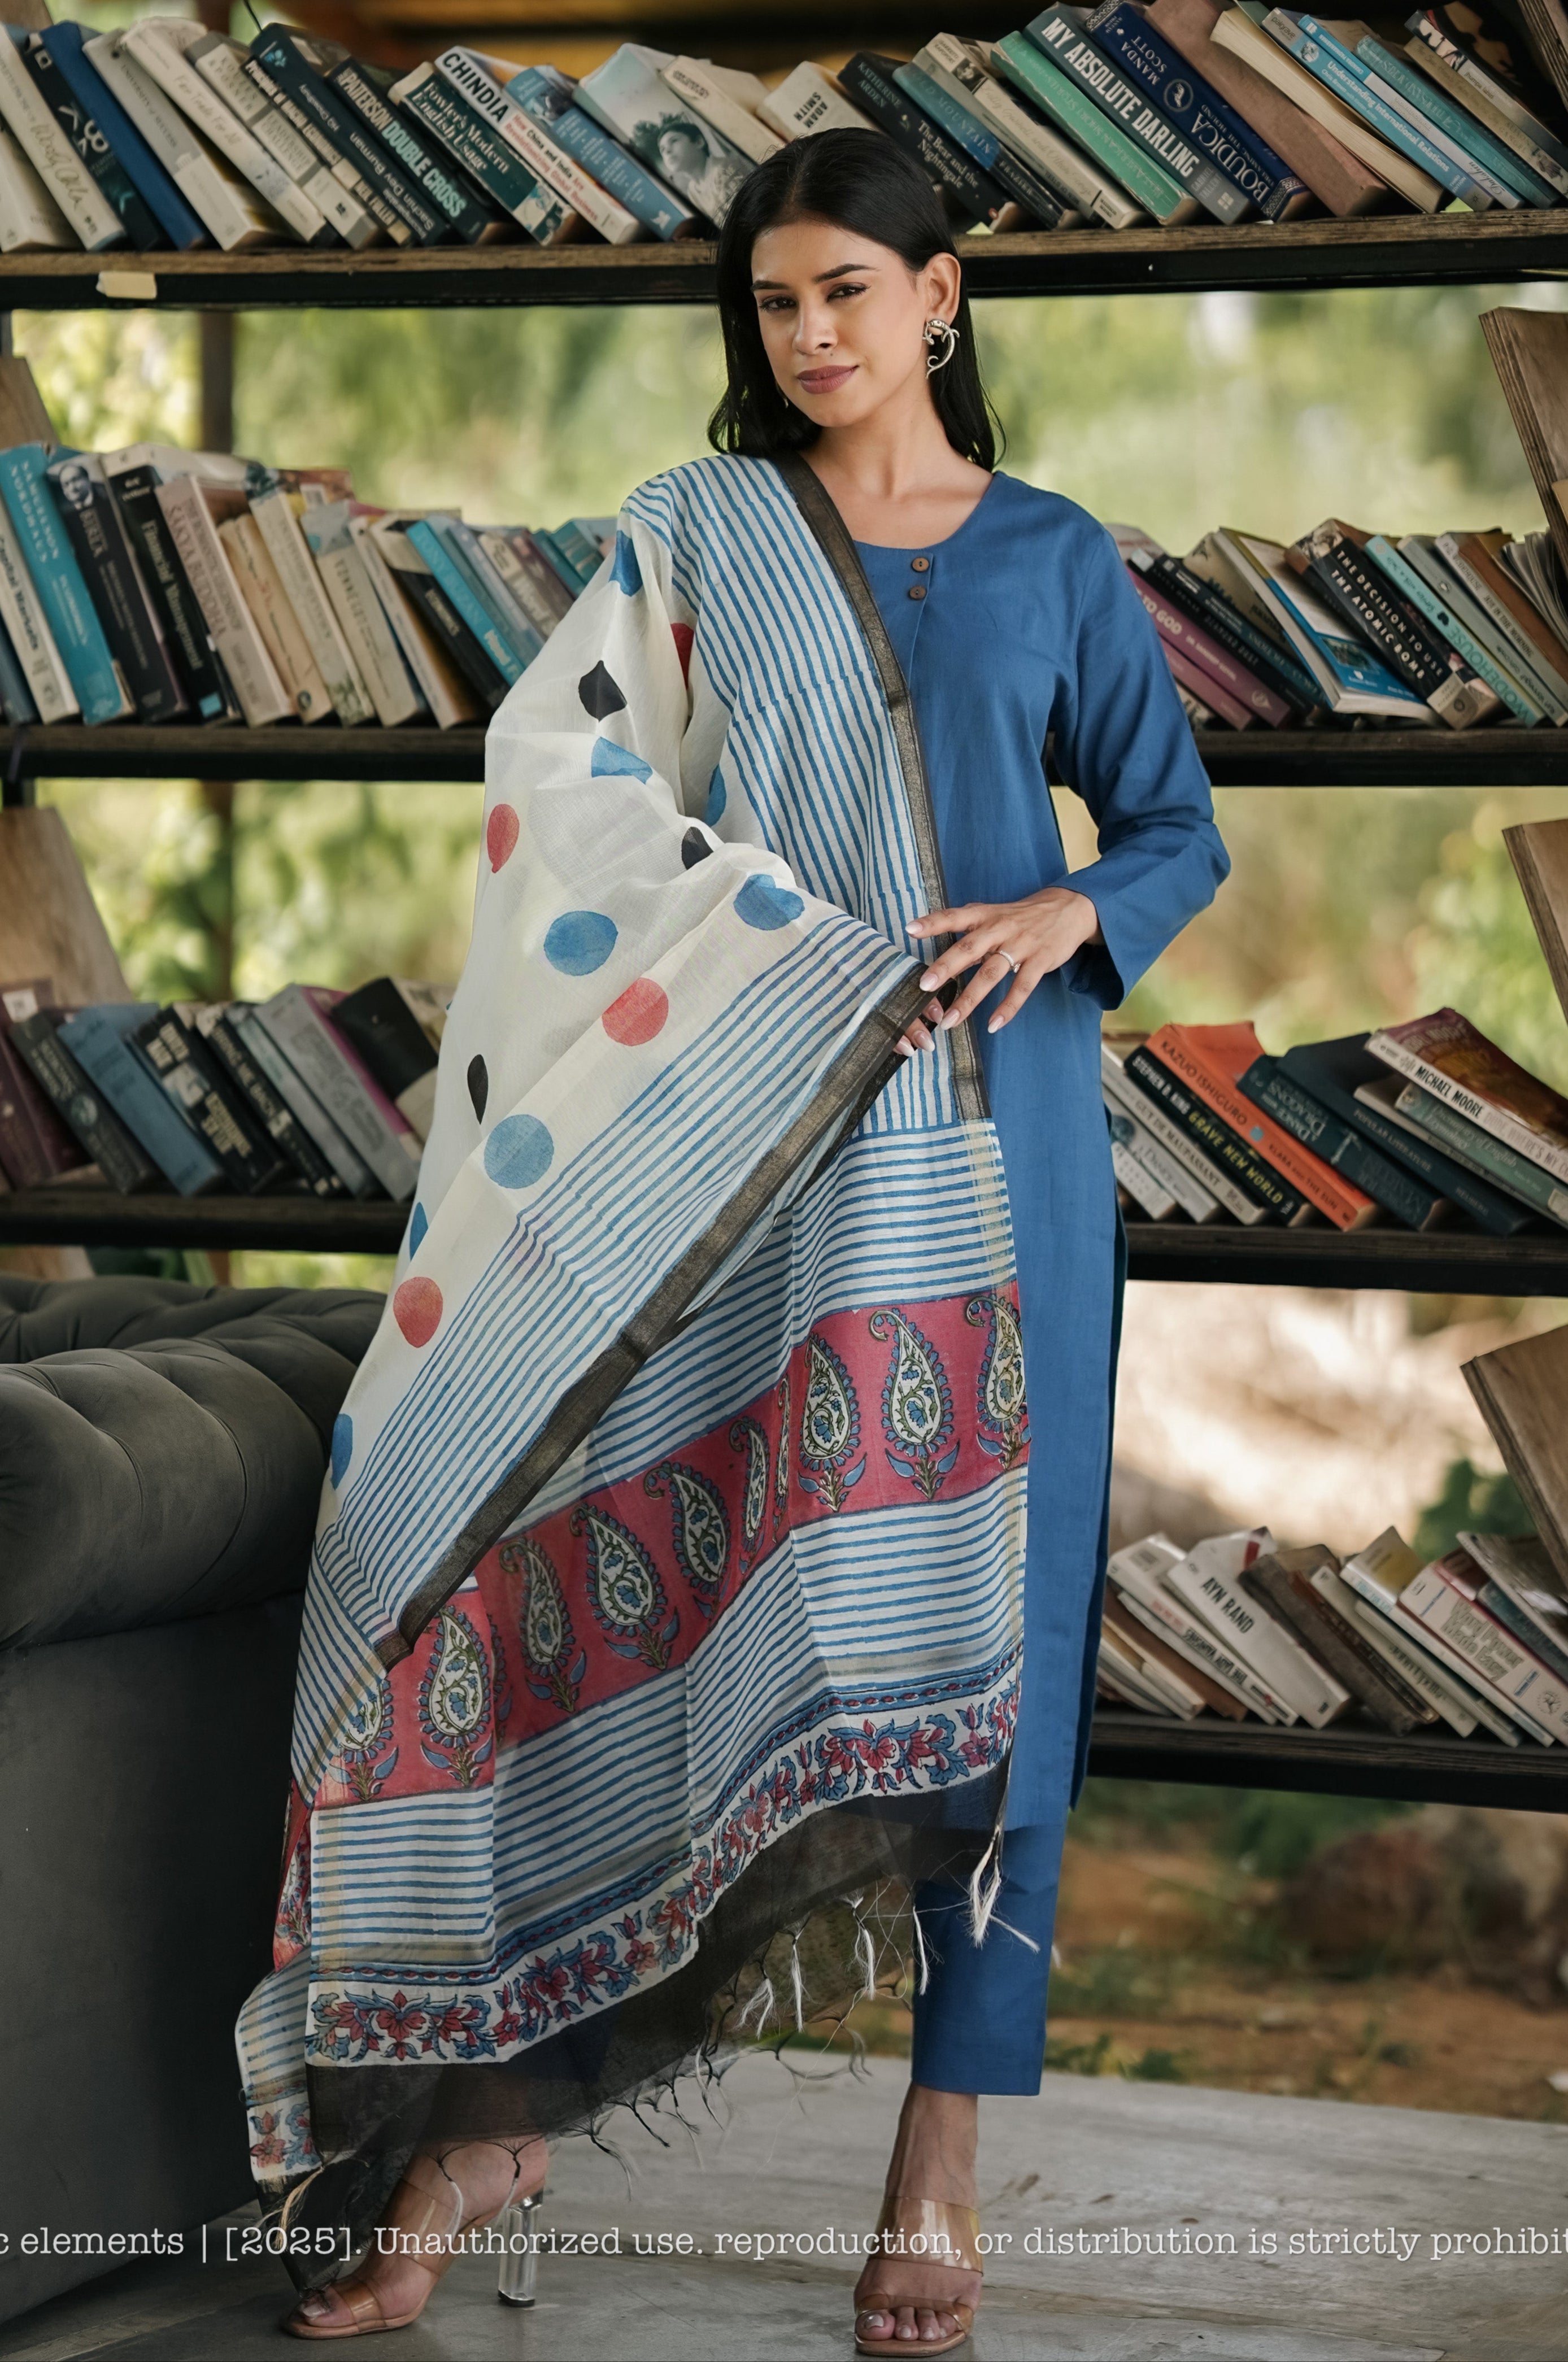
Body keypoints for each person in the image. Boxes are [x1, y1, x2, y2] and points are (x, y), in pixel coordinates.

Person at [254, 127, 1227, 2352]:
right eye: (774, 303)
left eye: (845, 298)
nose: (806, 337)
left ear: (941, 303)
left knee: (1005, 1629)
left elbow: (1172, 825)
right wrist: (781, 955)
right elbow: (567, 802)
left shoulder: (1053, 560)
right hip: (736, 1149)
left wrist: (1085, 903)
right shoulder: (689, 542)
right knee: (645, 1574)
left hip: (1004, 1159)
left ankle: (941, 2150)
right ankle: (496, 2111)